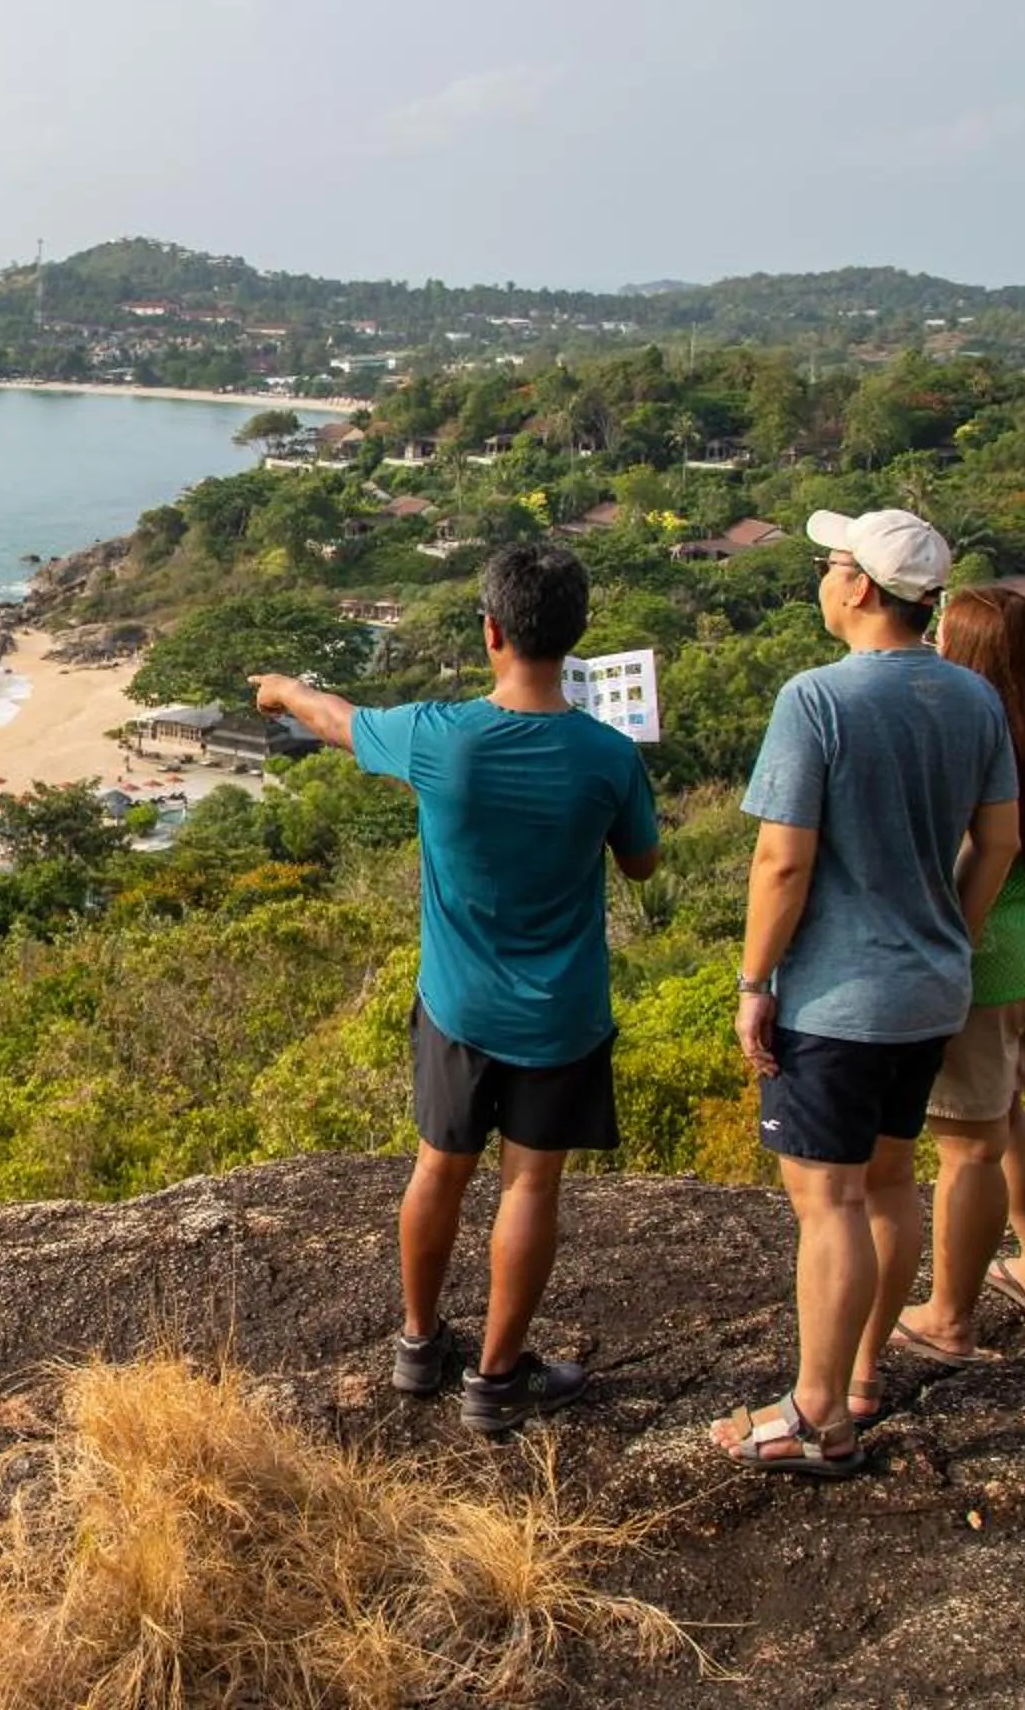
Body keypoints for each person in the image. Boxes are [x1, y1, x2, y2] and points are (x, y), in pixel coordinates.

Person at [253, 542, 660, 1436]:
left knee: (439, 1166)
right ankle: (497, 1379)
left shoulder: (438, 738)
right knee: (529, 1188)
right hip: (562, 1015)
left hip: (457, 1006)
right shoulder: (607, 756)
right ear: (577, 637)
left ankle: (417, 1344)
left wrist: (281, 688)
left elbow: (333, 718)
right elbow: (642, 863)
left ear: (490, 632)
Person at [713, 510, 1018, 1478]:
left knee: (827, 1200)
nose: (822, 576)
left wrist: (755, 980)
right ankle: (855, 1376)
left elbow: (782, 859)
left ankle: (815, 1412)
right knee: (889, 1181)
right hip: (929, 989)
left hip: (837, 998)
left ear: (856, 587)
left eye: (829, 562)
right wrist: (949, 937)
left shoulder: (819, 698)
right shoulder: (972, 696)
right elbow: (1000, 839)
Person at [893, 585, 1025, 1354]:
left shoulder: (974, 742)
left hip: (989, 971)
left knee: (968, 1147)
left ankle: (947, 1316)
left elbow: (967, 855)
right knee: (1003, 1116)